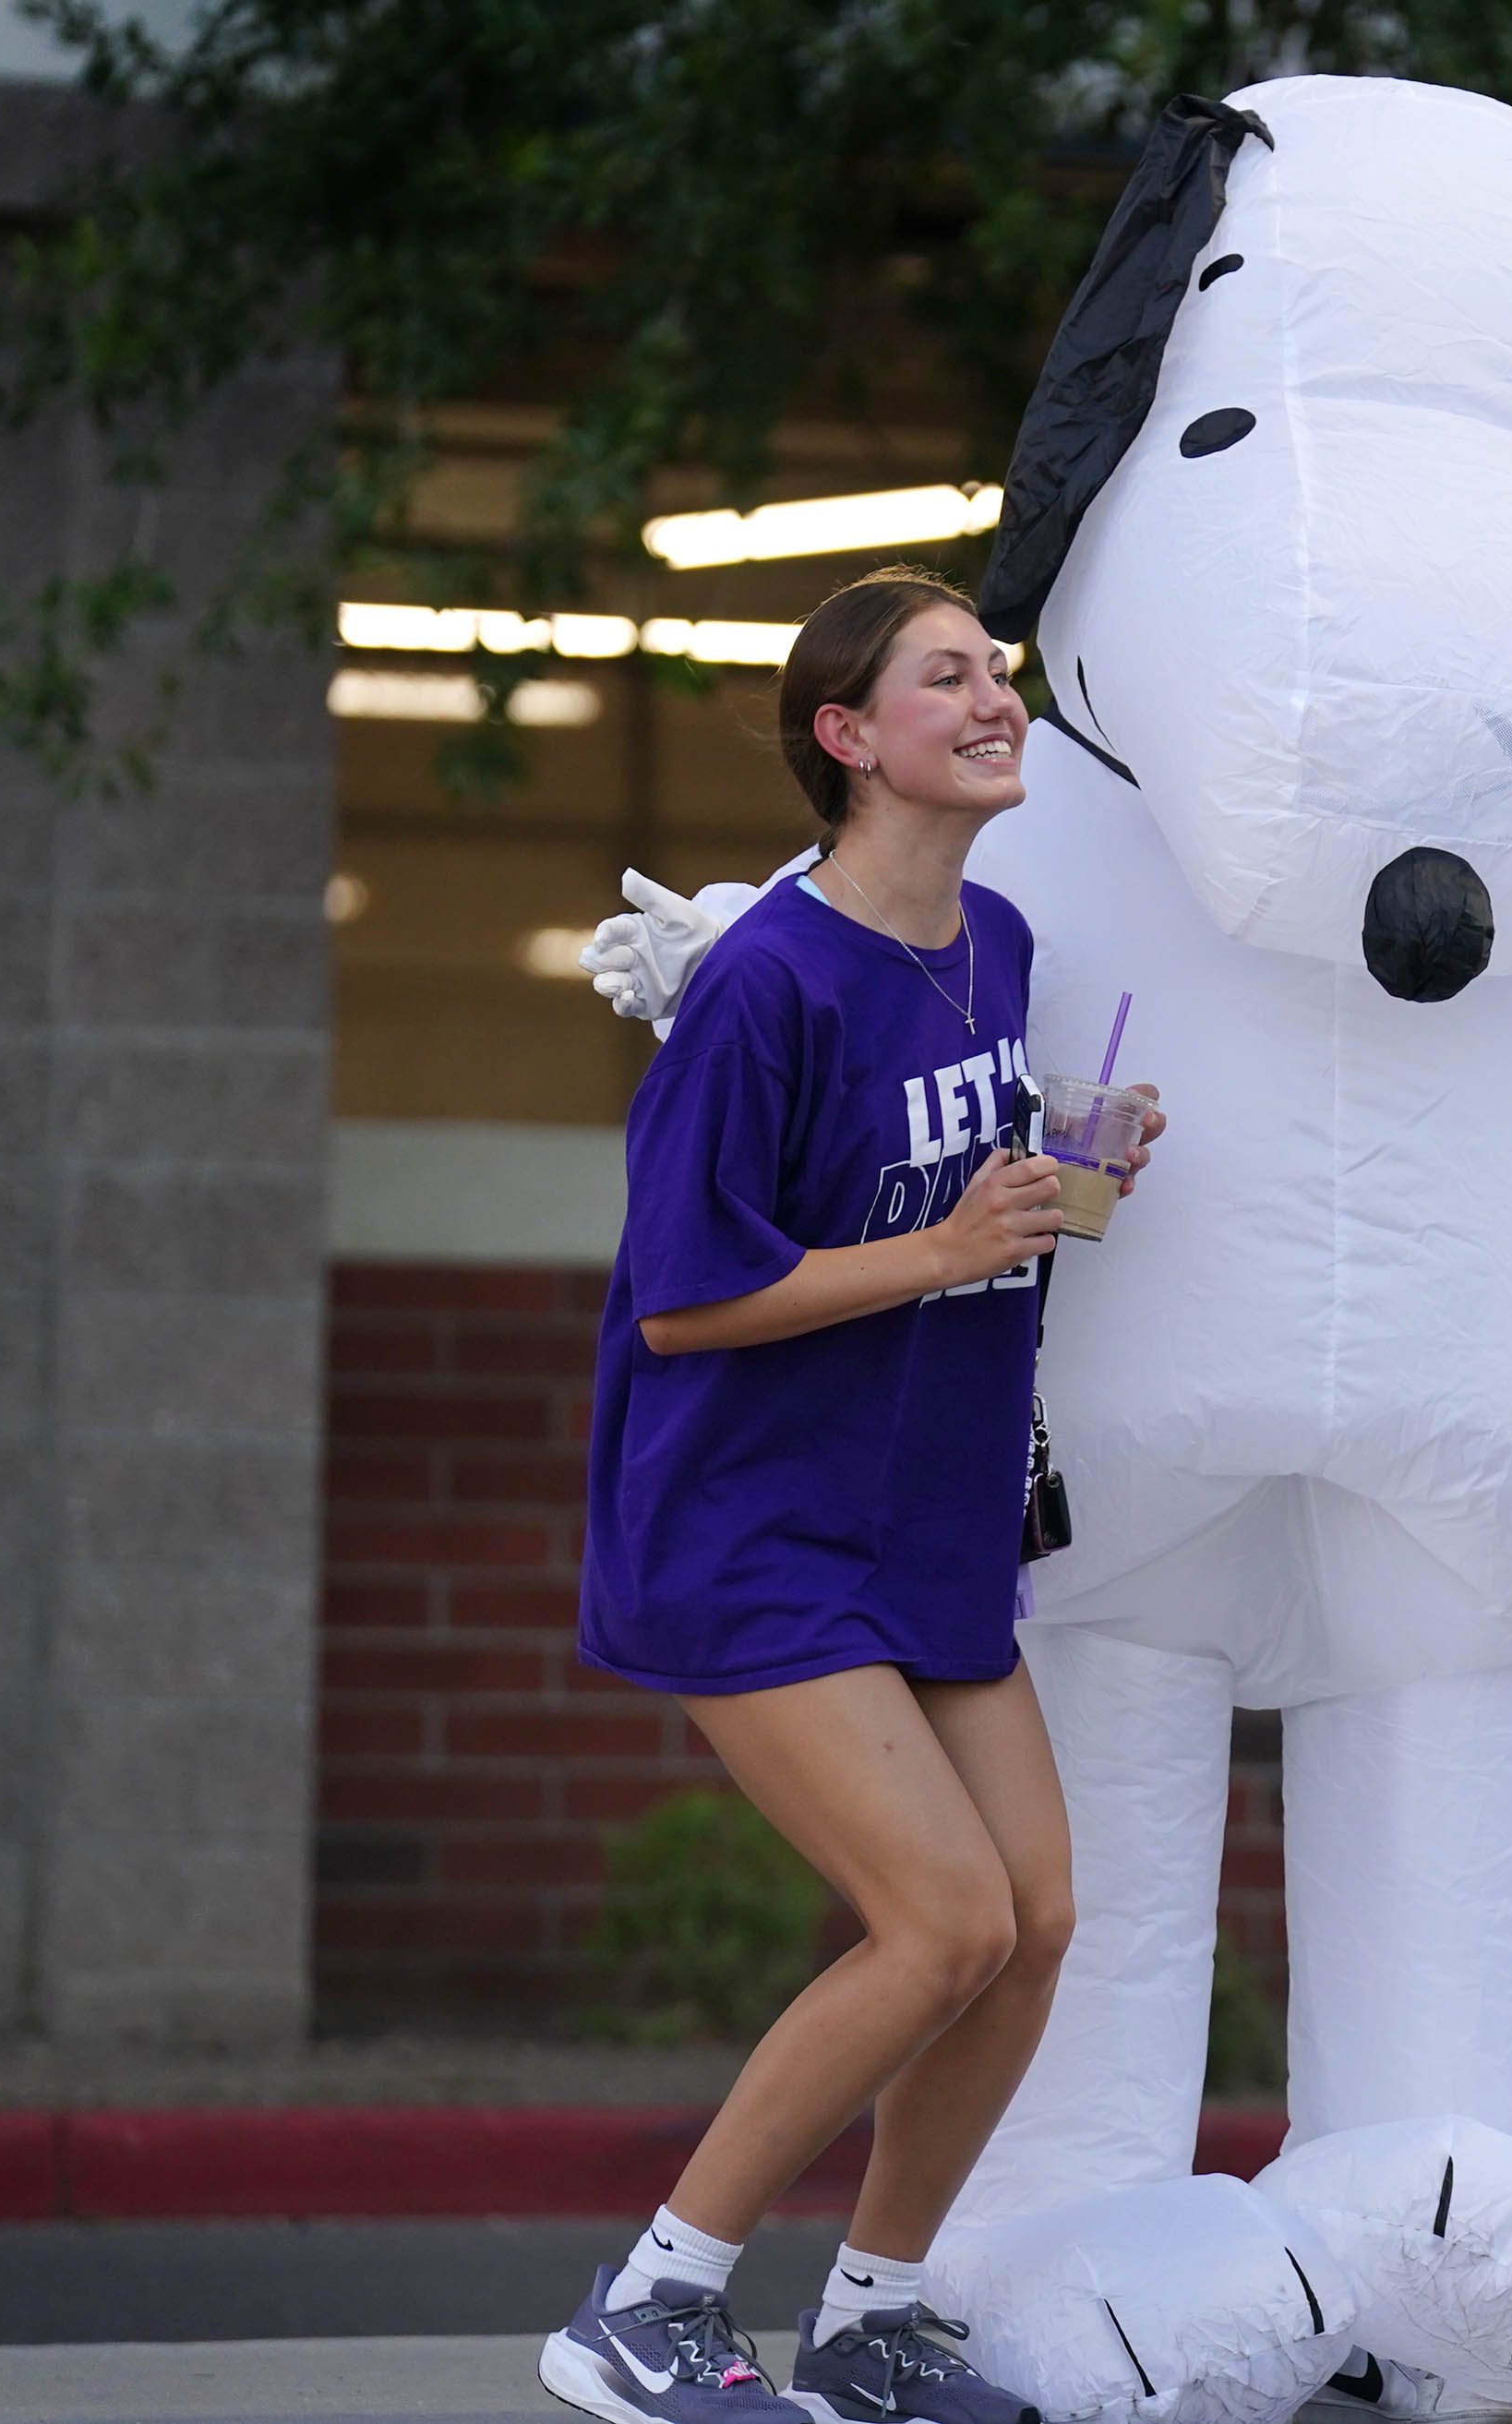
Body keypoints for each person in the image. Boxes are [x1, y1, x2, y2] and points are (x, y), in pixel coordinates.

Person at [545, 565, 1161, 2424]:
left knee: (1034, 1918)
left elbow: (931, 1178)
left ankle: (875, 2319)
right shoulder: (763, 982)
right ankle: (650, 2299)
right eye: (947, 676)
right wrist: (952, 1242)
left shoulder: (999, 943)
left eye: (1000, 671)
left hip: (930, 1515)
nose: (996, 698)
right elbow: (685, 1297)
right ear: (849, 735)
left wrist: (1071, 1155)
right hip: (753, 1528)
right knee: (944, 1919)